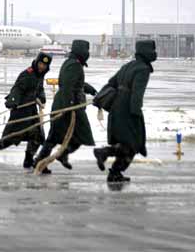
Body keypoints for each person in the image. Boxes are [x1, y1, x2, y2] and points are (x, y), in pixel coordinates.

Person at [93, 40, 157, 183]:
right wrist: (136, 113)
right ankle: (104, 154)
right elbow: (137, 93)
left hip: (117, 108)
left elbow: (111, 83)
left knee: (125, 144)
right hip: (127, 110)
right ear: (147, 52)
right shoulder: (143, 69)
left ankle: (114, 172)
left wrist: (101, 98)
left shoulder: (127, 66)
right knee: (133, 143)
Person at [34, 40, 97, 173]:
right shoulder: (74, 65)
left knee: (55, 137)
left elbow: (75, 84)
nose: (88, 53)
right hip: (68, 107)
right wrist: (69, 105)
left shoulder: (73, 63)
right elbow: (68, 87)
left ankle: (41, 160)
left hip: (67, 104)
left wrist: (90, 89)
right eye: (86, 50)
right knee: (81, 136)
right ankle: (57, 156)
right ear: (81, 51)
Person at [0, 52, 52, 168]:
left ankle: (28, 160)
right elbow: (18, 89)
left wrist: (41, 96)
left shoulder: (39, 75)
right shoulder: (28, 74)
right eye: (40, 64)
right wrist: (13, 101)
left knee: (37, 136)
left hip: (31, 111)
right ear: (37, 62)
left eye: (44, 65)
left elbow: (39, 88)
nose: (42, 67)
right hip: (20, 111)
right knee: (11, 138)